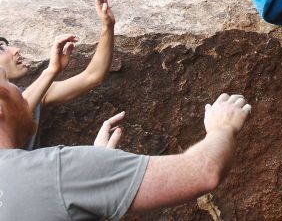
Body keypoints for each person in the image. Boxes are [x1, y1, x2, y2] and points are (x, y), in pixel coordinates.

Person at [0, 65, 251, 221]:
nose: (21, 90)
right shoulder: (56, 171)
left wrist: (91, 183)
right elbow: (202, 172)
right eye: (7, 81)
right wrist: (222, 127)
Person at [0, 0, 117, 148]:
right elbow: (15, 111)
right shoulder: (29, 95)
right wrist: (50, 72)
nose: (15, 50)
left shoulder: (34, 92)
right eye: (1, 49)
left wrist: (107, 26)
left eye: (8, 45)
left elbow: (93, 76)